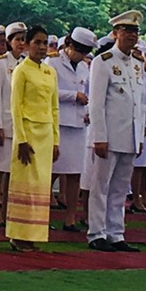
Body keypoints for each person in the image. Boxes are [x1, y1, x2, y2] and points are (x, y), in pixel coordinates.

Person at [86, 10, 146, 252]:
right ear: (115, 33)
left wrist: (139, 136)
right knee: (101, 186)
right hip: (109, 136)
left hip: (129, 136)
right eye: (126, 31)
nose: (132, 35)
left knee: (120, 188)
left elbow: (137, 105)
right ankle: (96, 233)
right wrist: (99, 137)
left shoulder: (137, 65)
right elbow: (96, 103)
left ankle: (116, 232)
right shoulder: (103, 62)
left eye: (135, 32)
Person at [5, 25, 60, 251]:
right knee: (25, 185)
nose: (41, 47)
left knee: (40, 186)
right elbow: (15, 107)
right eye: (36, 42)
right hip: (27, 131)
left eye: (44, 42)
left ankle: (34, 233)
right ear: (26, 45)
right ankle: (18, 235)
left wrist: (56, 140)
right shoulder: (21, 70)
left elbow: (54, 108)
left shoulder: (50, 72)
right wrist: (21, 139)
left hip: (46, 133)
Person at [49, 27, 94, 233]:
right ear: (70, 46)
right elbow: (49, 91)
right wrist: (73, 95)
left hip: (78, 124)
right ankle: (41, 215)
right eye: (80, 51)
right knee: (52, 172)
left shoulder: (85, 67)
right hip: (59, 123)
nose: (83, 56)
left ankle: (70, 218)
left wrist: (88, 109)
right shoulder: (53, 63)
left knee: (76, 173)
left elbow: (89, 91)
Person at [0, 22, 28, 226]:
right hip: (3, 123)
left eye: (23, 39)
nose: (21, 43)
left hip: (20, 126)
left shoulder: (26, 64)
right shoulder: (0, 63)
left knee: (13, 172)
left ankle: (9, 209)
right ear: (9, 42)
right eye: (18, 39)